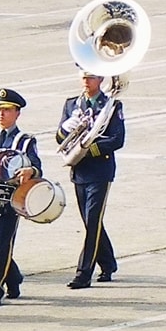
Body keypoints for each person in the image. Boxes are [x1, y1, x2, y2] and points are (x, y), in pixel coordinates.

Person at [59, 71, 125, 288]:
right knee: (89, 222)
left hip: (100, 170)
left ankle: (83, 273)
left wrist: (89, 148)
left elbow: (117, 139)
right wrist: (65, 129)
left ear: (101, 80)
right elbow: (59, 136)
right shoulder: (72, 105)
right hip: (79, 170)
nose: (87, 81)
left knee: (93, 220)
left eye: (92, 77)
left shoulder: (112, 106)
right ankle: (108, 262)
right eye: (84, 77)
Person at [0, 89, 38, 307]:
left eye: (7, 110)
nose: (1, 114)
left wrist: (30, 171)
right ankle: (13, 276)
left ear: (17, 113)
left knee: (3, 243)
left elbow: (36, 166)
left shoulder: (24, 141)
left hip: (10, 200)